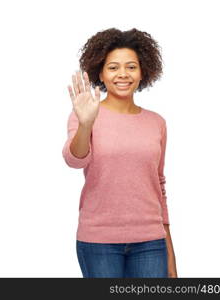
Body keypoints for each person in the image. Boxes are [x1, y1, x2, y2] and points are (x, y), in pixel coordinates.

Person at [62, 27, 177, 278]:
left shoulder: (156, 122)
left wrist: (170, 251)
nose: (122, 74)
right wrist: (85, 124)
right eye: (113, 67)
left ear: (142, 71)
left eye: (131, 67)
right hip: (99, 241)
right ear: (100, 74)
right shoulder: (85, 115)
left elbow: (159, 184)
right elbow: (75, 159)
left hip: (150, 242)